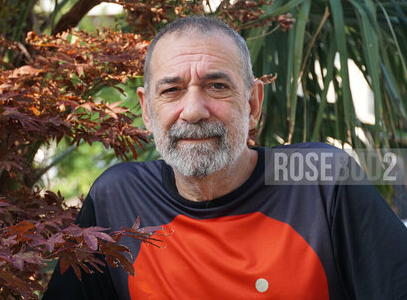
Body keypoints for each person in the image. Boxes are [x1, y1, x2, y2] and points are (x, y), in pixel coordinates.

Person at [43, 16, 407, 299]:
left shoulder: (320, 179)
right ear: (147, 110)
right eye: (171, 90)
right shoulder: (116, 197)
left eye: (217, 86)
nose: (194, 111)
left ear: (252, 104)